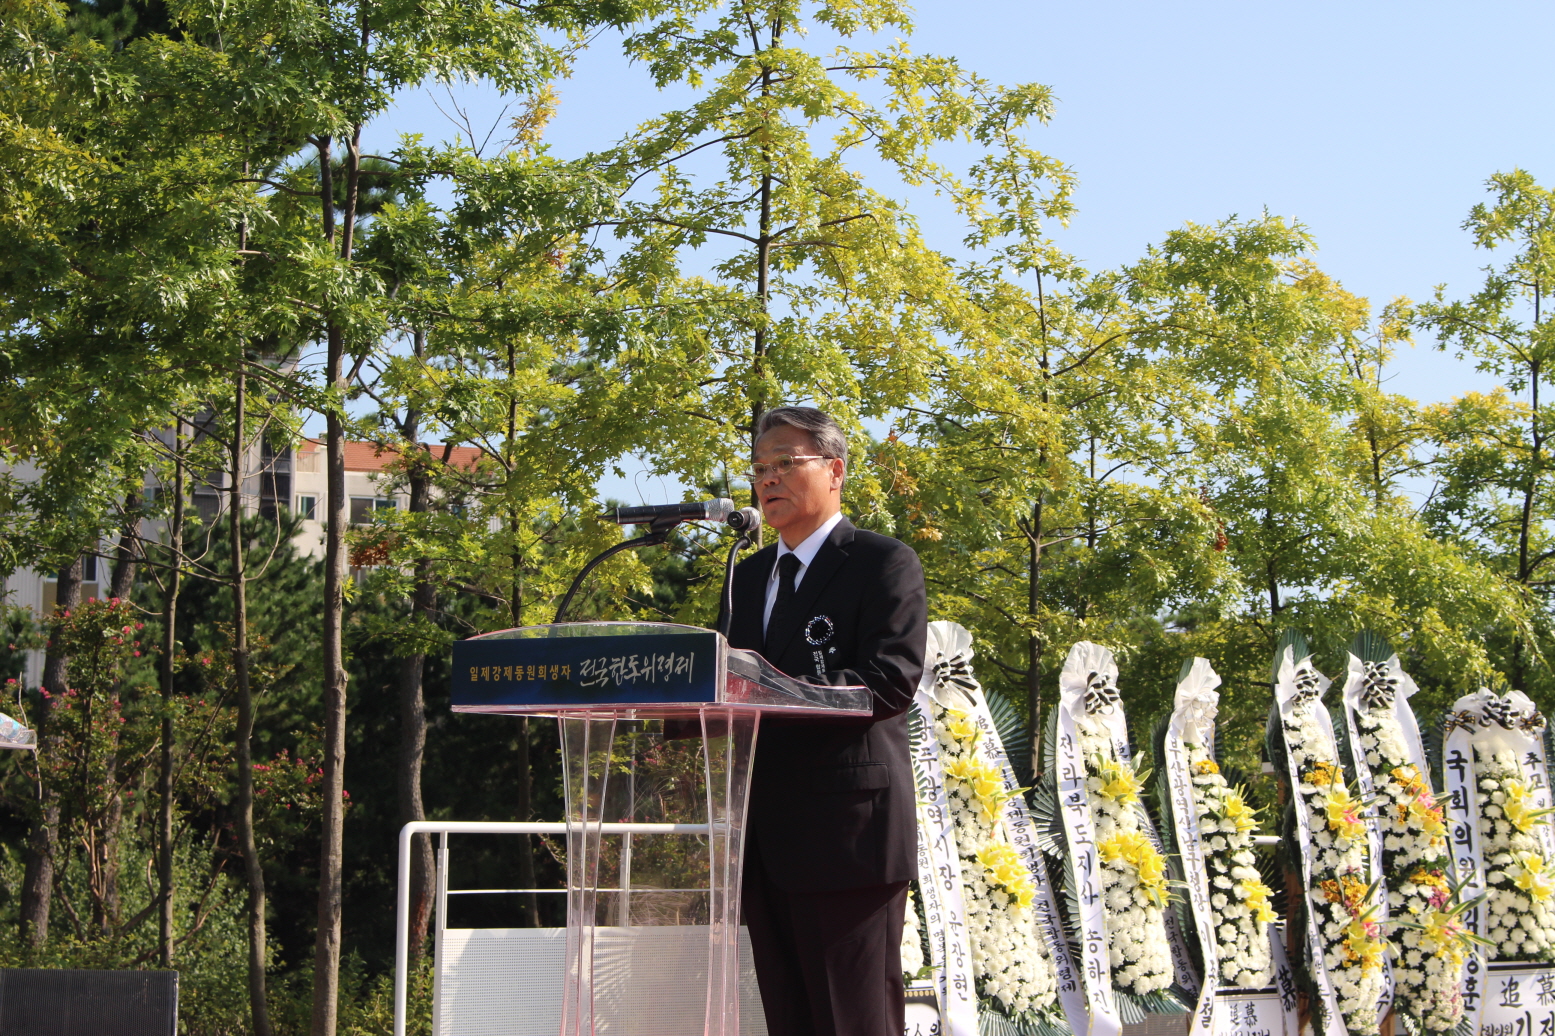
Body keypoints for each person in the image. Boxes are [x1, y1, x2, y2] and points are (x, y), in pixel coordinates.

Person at [721, 406, 927, 1036]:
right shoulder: (747, 574)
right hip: (762, 840)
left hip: (848, 840)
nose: (768, 479)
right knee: (792, 1021)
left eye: (786, 463)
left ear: (835, 470)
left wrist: (773, 688)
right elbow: (722, 686)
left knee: (853, 1023)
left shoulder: (882, 563)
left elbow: (888, 683)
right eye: (760, 469)